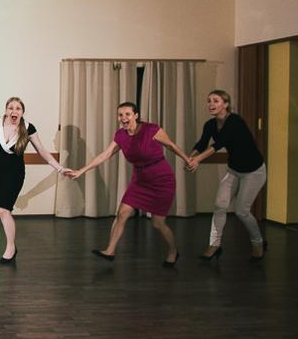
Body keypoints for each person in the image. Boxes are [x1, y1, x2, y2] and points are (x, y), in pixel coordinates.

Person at [67, 102, 192, 267]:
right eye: (120, 115)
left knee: (158, 223)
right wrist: (81, 170)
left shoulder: (151, 129)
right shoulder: (121, 135)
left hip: (161, 180)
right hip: (140, 180)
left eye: (127, 114)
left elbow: (171, 145)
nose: (123, 118)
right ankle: (110, 251)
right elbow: (105, 155)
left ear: (136, 116)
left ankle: (173, 251)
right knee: (122, 213)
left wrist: (188, 160)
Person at [0, 97, 67, 264]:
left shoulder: (27, 128)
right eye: (10, 108)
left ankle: (11, 248)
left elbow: (42, 151)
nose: (14, 111)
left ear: (22, 112)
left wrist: (60, 168)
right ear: (6, 110)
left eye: (18, 108)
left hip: (14, 173)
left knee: (3, 210)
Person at [187, 90, 267, 262]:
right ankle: (214, 245)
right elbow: (202, 144)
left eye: (216, 101)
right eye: (209, 101)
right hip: (234, 171)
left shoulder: (235, 121)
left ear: (226, 104)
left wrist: (197, 160)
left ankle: (258, 243)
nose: (211, 104)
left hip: (254, 172)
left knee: (242, 211)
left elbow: (219, 144)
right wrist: (190, 158)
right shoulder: (210, 124)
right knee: (219, 206)